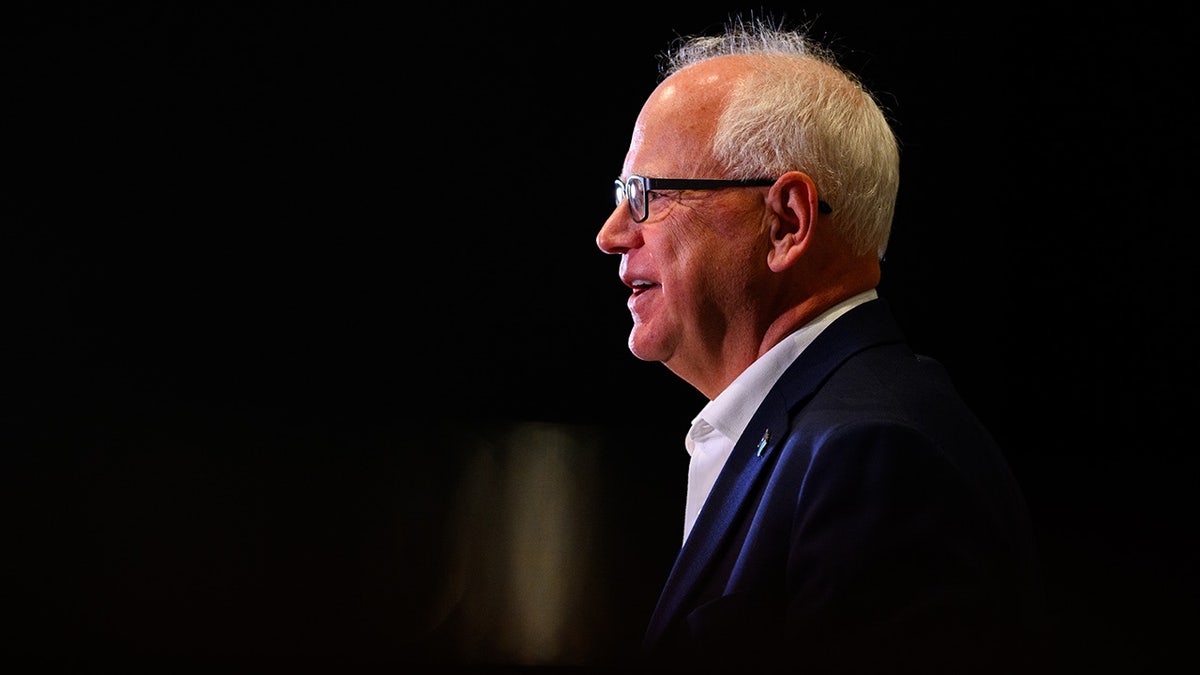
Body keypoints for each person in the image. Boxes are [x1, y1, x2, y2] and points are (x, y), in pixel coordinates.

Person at [596, 17, 1045, 673]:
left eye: (646, 195)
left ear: (786, 222)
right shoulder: (822, 431)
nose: (611, 234)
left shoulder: (874, 456)